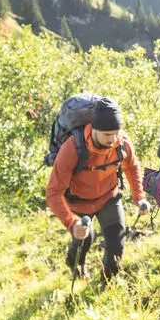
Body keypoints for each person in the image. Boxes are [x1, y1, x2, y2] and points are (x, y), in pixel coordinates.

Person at [45, 96, 150, 284]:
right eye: (107, 134)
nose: (112, 139)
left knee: (117, 243)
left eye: (116, 133)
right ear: (94, 129)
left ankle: (106, 282)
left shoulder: (122, 142)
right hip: (78, 203)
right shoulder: (73, 148)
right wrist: (72, 223)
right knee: (85, 239)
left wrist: (139, 197)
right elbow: (53, 192)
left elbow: (132, 167)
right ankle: (76, 266)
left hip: (108, 197)